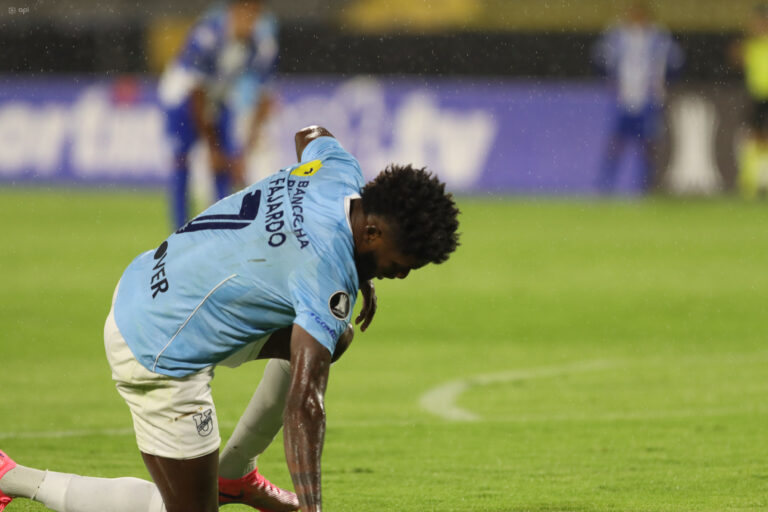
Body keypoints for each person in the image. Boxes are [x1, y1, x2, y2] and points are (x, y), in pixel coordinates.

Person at [0, 125, 461, 512]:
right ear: (372, 232)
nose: (402, 273)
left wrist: (361, 273)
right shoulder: (324, 268)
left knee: (332, 335)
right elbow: (305, 402)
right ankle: (12, 477)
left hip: (150, 282)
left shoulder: (340, 171)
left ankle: (235, 474)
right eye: (403, 262)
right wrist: (313, 507)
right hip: (157, 347)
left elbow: (310, 133)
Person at [159, 0, 279, 229]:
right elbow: (196, 93)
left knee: (226, 164)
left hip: (218, 97)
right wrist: (211, 147)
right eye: (244, 13)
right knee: (182, 162)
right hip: (182, 98)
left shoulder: (260, 45)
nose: (249, 21)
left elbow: (264, 98)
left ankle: (222, 229)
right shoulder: (208, 35)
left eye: (254, 15)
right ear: (232, 12)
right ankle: (179, 230)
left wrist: (245, 151)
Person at [592, 1, 684, 194]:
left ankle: (648, 185)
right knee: (617, 142)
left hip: (649, 100)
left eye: (639, 16)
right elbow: (600, 56)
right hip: (623, 98)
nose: (635, 20)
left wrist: (663, 81)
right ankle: (605, 185)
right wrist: (610, 77)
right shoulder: (617, 35)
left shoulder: (658, 37)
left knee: (648, 144)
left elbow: (676, 60)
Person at [732, 4, 768, 199]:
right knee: (754, 137)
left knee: (760, 138)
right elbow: (736, 57)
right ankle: (751, 182)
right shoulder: (751, 44)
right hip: (757, 96)